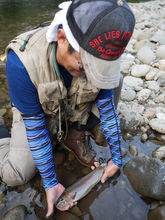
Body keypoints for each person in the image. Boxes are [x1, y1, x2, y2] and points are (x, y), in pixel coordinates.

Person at [0, 0, 135, 217]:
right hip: (39, 113)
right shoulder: (21, 62)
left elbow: (108, 112)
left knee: (114, 81)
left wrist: (116, 159)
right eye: (85, 66)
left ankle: (74, 135)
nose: (91, 73)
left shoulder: (104, 53)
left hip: (74, 106)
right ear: (62, 39)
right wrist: (51, 182)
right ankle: (1, 133)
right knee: (15, 175)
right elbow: (35, 130)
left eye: (100, 69)